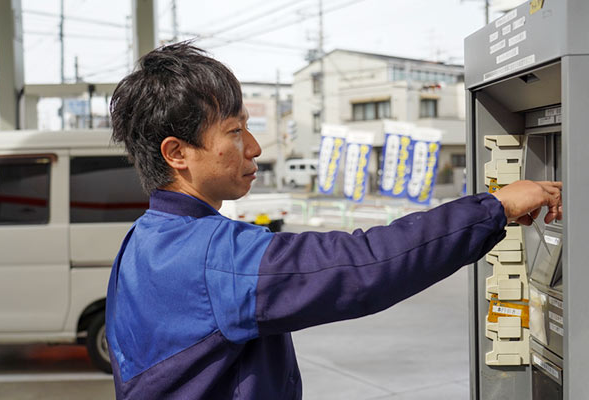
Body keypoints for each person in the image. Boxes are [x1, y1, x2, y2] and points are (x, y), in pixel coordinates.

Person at [105, 42, 562, 400]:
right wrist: (494, 207)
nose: (255, 147)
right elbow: (363, 265)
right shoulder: (213, 257)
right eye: (234, 131)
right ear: (177, 153)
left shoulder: (142, 242)